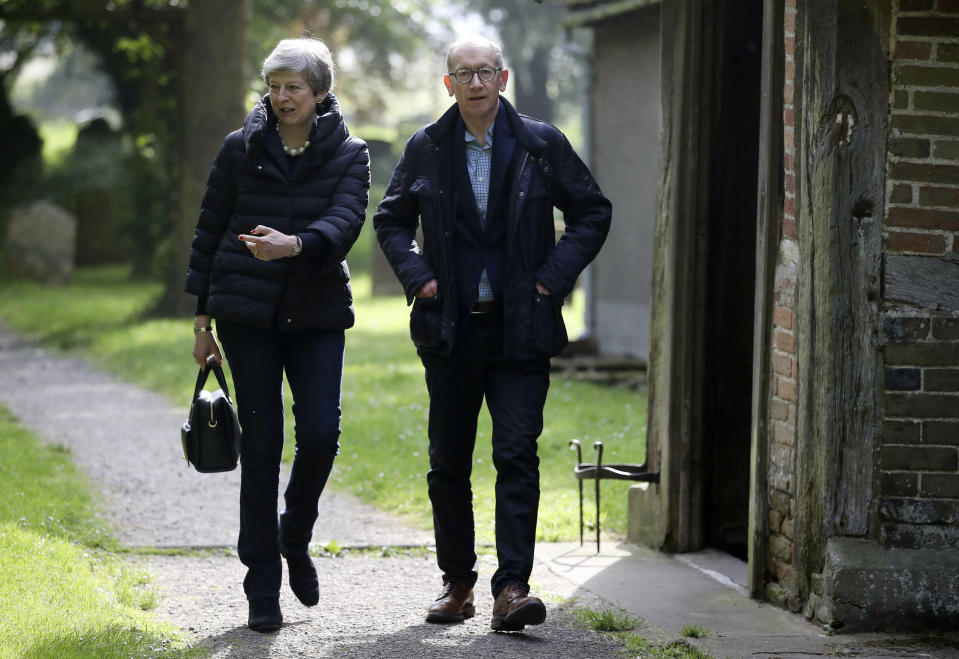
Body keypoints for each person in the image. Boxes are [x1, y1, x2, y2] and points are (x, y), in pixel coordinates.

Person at [373, 35, 611, 632]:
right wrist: (419, 278)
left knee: (516, 453)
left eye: (484, 72)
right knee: (448, 461)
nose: (475, 83)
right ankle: (457, 585)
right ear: (447, 85)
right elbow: (391, 219)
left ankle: (512, 589)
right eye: (463, 73)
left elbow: (591, 213)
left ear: (502, 78)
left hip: (521, 330)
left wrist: (549, 281)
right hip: (449, 331)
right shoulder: (426, 148)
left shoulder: (541, 144)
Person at [184, 37, 369, 632]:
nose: (283, 97)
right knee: (261, 447)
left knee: (320, 434)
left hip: (316, 312)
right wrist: (202, 319)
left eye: (294, 87)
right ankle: (261, 584)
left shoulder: (351, 153)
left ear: (319, 93)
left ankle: (296, 534)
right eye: (275, 86)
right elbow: (210, 230)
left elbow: (345, 221)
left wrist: (295, 244)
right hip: (246, 315)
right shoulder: (240, 149)